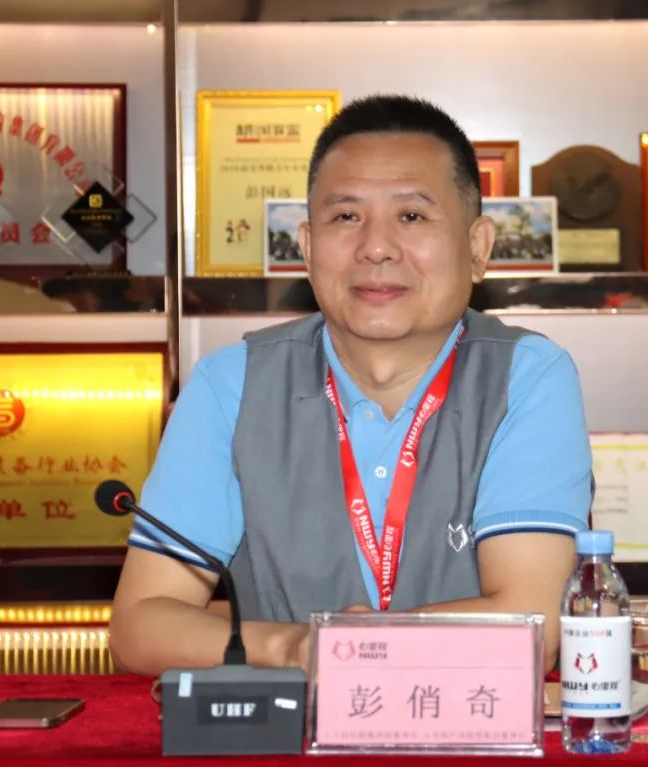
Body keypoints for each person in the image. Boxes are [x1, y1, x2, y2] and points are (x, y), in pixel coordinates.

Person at [109, 95, 593, 676]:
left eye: (411, 216)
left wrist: (351, 646)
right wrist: (295, 647)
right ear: (307, 248)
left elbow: (532, 626)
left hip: (468, 721)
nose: (376, 247)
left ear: (477, 247)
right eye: (346, 218)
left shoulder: (526, 377)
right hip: (290, 726)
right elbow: (140, 625)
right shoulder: (231, 385)